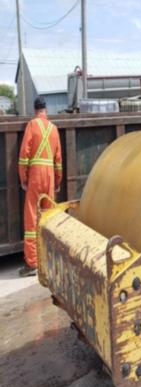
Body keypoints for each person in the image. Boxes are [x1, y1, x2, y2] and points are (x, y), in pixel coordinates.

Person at [18, 97, 62, 277]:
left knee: (32, 218)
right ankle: (48, 257)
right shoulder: (54, 129)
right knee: (48, 217)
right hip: (50, 175)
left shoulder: (31, 125)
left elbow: (23, 155)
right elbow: (58, 160)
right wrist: (57, 181)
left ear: (34, 109)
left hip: (35, 174)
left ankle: (33, 264)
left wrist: (23, 177)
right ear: (46, 109)